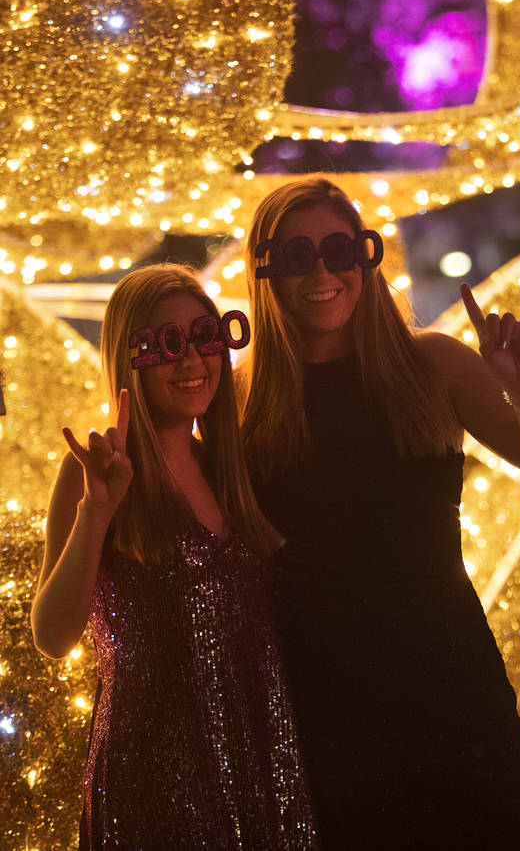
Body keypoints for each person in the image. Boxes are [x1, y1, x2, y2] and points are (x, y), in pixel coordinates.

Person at [238, 178, 520, 849]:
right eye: (296, 255)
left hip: (448, 684)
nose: (323, 272)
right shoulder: (243, 398)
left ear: (367, 259)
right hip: (322, 709)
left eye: (341, 250)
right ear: (265, 270)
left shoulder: (431, 364)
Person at [31, 265, 317, 849]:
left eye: (207, 338)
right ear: (128, 359)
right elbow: (52, 636)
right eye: (166, 345)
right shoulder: (90, 472)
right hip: (155, 780)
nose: (191, 362)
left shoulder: (229, 470)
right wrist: (97, 512)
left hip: (261, 758)